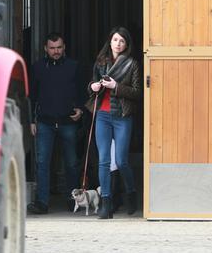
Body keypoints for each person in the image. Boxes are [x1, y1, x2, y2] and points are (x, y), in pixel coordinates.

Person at [27, 32, 85, 215]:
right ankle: (42, 203)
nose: (56, 51)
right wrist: (31, 120)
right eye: (52, 48)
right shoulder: (37, 68)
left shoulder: (74, 67)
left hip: (68, 121)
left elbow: (83, 91)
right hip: (44, 122)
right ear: (46, 48)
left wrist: (81, 109)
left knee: (71, 163)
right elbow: (31, 96)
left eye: (59, 47)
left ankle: (73, 199)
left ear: (64, 47)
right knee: (42, 163)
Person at [87, 26, 141, 219]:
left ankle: (131, 193)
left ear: (126, 45)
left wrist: (116, 87)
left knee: (121, 160)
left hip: (122, 116)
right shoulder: (101, 62)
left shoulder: (132, 64)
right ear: (110, 41)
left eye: (122, 41)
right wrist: (93, 86)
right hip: (102, 114)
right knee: (103, 160)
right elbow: (91, 85)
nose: (118, 44)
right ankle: (106, 204)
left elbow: (137, 92)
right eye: (115, 40)